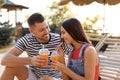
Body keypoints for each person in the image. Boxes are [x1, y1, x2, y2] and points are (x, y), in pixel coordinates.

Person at [1, 13, 70, 80]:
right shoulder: (27, 40)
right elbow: (4, 60)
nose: (46, 32)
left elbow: (74, 56)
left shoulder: (59, 39)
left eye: (47, 27)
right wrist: (30, 60)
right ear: (31, 31)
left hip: (55, 78)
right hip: (34, 76)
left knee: (45, 79)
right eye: (42, 30)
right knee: (11, 67)